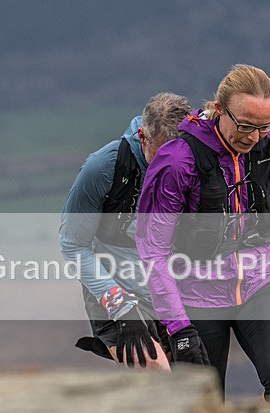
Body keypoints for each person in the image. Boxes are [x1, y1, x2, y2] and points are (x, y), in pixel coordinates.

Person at [136, 65, 270, 402]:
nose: (253, 137)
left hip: (262, 282)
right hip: (196, 294)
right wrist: (178, 326)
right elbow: (154, 250)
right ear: (219, 108)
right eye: (244, 125)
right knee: (203, 402)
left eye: (263, 126)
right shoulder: (177, 161)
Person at [60, 92, 193, 369]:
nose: (169, 166)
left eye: (178, 155)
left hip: (171, 290)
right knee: (158, 374)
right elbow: (73, 245)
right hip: (115, 289)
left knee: (196, 377)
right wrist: (121, 309)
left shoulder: (198, 159)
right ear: (143, 136)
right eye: (161, 154)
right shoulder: (104, 167)